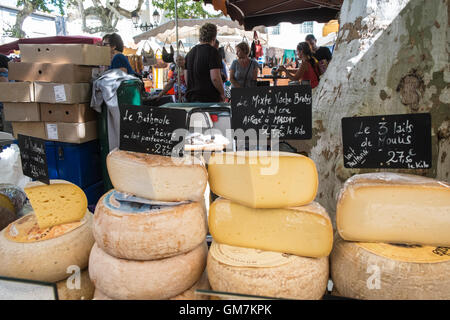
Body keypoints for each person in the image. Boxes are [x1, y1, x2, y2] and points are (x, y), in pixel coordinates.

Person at [184, 23, 225, 102]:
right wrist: (222, 93)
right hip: (208, 99)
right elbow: (215, 78)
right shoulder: (213, 52)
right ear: (214, 37)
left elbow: (187, 79)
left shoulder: (190, 53)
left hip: (191, 98)